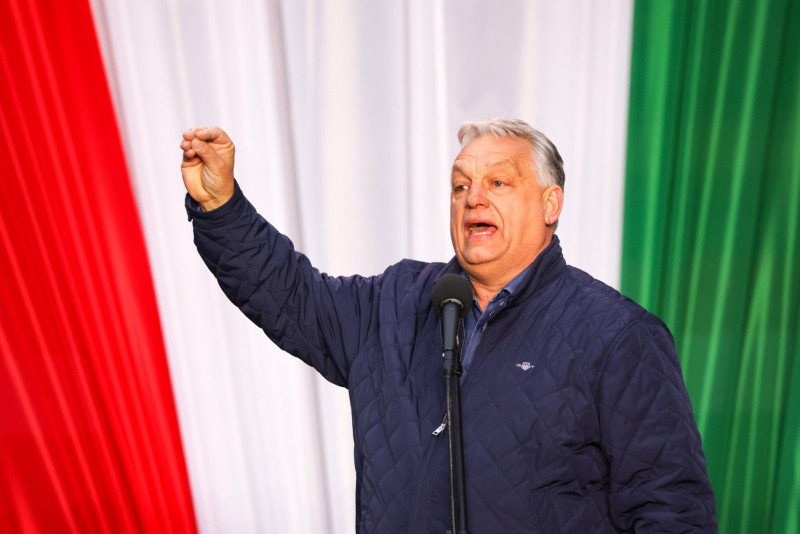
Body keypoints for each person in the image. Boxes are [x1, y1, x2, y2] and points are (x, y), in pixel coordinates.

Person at [180, 119, 717, 532]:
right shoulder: (394, 303)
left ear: (550, 204)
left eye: (498, 182)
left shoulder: (618, 336)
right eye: (460, 186)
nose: (473, 198)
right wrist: (221, 208)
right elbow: (291, 296)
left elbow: (670, 510)